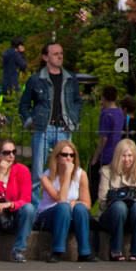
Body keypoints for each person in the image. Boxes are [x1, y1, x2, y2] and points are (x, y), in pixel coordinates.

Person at [18, 42, 82, 203]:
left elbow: (77, 102)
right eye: (55, 54)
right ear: (45, 57)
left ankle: (63, 202)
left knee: (66, 168)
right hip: (43, 128)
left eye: (61, 53)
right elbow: (24, 105)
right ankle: (35, 208)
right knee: (38, 172)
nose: (60, 56)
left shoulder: (70, 78)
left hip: (64, 127)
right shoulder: (36, 80)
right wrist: (30, 121)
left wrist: (73, 120)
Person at [35, 139, 93, 262]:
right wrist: (67, 174)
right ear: (56, 157)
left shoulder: (81, 174)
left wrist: (75, 203)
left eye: (72, 155)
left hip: (70, 216)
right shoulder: (46, 176)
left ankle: (84, 252)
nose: (68, 158)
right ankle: (57, 250)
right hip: (49, 217)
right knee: (63, 206)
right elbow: (60, 199)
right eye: (64, 155)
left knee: (80, 208)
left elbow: (87, 204)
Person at [98, 138, 136, 260]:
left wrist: (130, 199)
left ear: (135, 156)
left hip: (134, 216)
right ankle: (115, 250)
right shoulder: (106, 171)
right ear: (117, 156)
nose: (127, 159)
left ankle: (135, 250)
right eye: (123, 156)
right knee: (120, 207)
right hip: (113, 215)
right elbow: (102, 201)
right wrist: (118, 199)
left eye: (130, 155)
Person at [89, 85, 123, 205]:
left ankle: (89, 203)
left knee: (94, 182)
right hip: (116, 153)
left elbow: (103, 138)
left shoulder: (106, 115)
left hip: (106, 154)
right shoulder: (119, 112)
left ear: (103, 98)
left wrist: (95, 157)